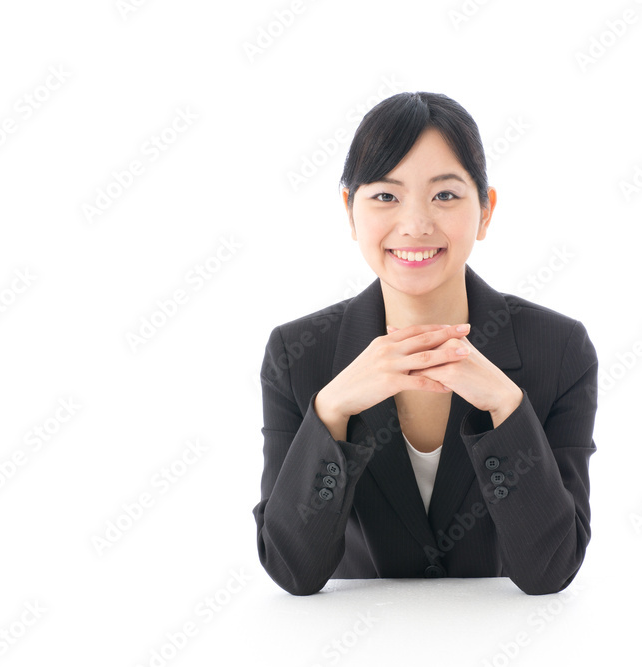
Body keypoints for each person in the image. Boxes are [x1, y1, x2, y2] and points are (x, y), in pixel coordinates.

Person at [254, 91, 598, 596]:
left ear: (485, 210)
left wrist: (507, 407)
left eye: (445, 195)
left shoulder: (560, 349)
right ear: (351, 211)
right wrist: (331, 409)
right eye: (386, 196)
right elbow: (291, 570)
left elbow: (551, 570)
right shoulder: (296, 354)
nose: (415, 225)